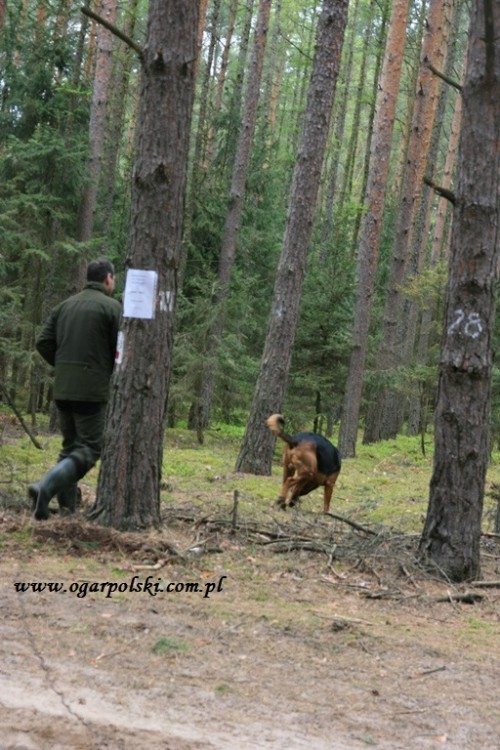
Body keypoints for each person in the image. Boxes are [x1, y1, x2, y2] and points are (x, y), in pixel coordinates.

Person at [29, 258, 121, 520]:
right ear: (107, 279)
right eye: (114, 279)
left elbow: (43, 342)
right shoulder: (112, 308)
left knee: (70, 448)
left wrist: (64, 367)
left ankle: (66, 513)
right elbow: (120, 350)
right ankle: (44, 489)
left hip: (63, 388)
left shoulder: (64, 306)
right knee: (91, 449)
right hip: (90, 391)